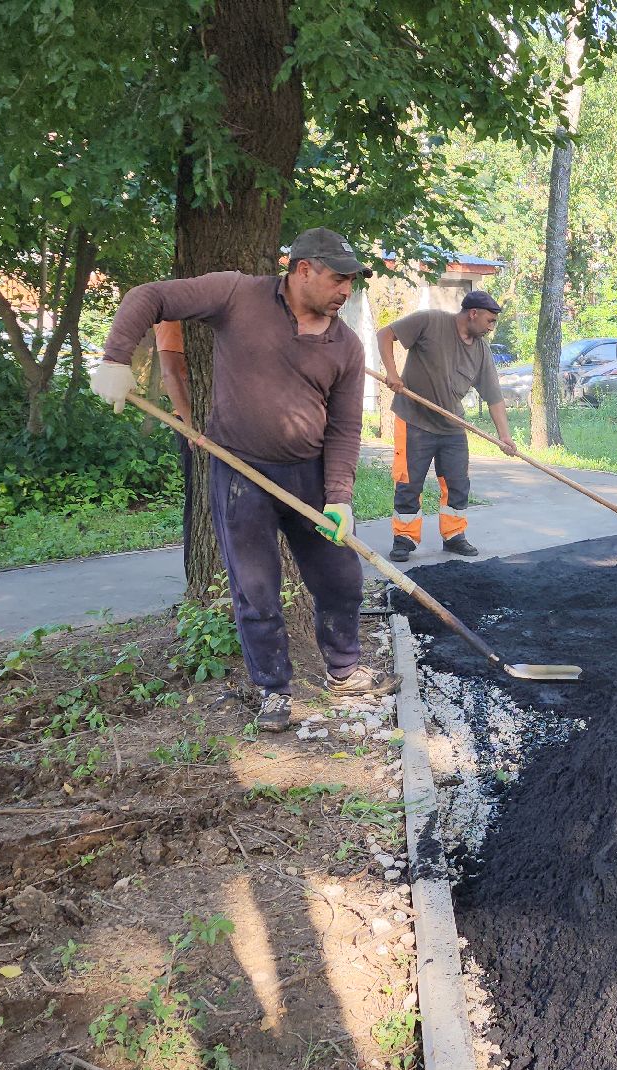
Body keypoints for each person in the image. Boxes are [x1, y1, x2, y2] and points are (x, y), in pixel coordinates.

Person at [91, 227, 399, 731]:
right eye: (339, 278)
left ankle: (344, 670)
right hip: (240, 472)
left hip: (312, 476)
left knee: (342, 579)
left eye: (352, 280)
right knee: (256, 590)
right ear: (304, 269)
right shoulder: (236, 294)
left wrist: (340, 498)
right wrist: (115, 358)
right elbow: (151, 296)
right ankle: (274, 690)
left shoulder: (345, 346)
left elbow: (345, 429)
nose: (347, 290)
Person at [376, 291, 518, 562]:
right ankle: (404, 538)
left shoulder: (481, 350)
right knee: (409, 482)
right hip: (413, 420)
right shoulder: (430, 321)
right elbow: (385, 334)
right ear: (473, 313)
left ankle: (454, 536)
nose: (491, 327)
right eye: (489, 321)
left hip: (452, 426)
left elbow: (494, 397)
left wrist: (505, 436)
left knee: (457, 483)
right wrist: (392, 374)